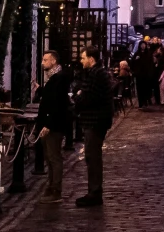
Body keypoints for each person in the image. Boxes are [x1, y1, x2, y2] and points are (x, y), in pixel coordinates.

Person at [69, 47, 116, 208]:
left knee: (93, 156)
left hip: (95, 121)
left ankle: (94, 193)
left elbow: (87, 98)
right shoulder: (94, 73)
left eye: (83, 58)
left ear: (91, 59)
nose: (81, 61)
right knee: (91, 155)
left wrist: (78, 96)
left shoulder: (96, 74)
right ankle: (93, 191)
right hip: (94, 120)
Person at [34, 51, 71, 199]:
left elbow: (57, 103)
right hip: (49, 123)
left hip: (54, 125)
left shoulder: (58, 78)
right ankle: (51, 186)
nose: (42, 63)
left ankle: (55, 189)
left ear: (53, 61)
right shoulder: (53, 79)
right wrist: (40, 89)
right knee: (49, 157)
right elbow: (51, 96)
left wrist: (48, 124)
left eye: (45, 60)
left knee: (54, 157)